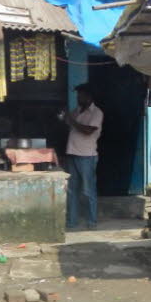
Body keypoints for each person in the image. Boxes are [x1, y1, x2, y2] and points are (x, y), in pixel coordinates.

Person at [62, 83, 103, 229]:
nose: (78, 97)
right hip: (72, 153)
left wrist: (71, 120)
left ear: (88, 97)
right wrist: (64, 117)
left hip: (87, 156)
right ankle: (72, 221)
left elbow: (88, 130)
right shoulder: (77, 111)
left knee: (88, 190)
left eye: (80, 95)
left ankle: (92, 221)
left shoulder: (96, 113)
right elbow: (68, 123)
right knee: (72, 190)